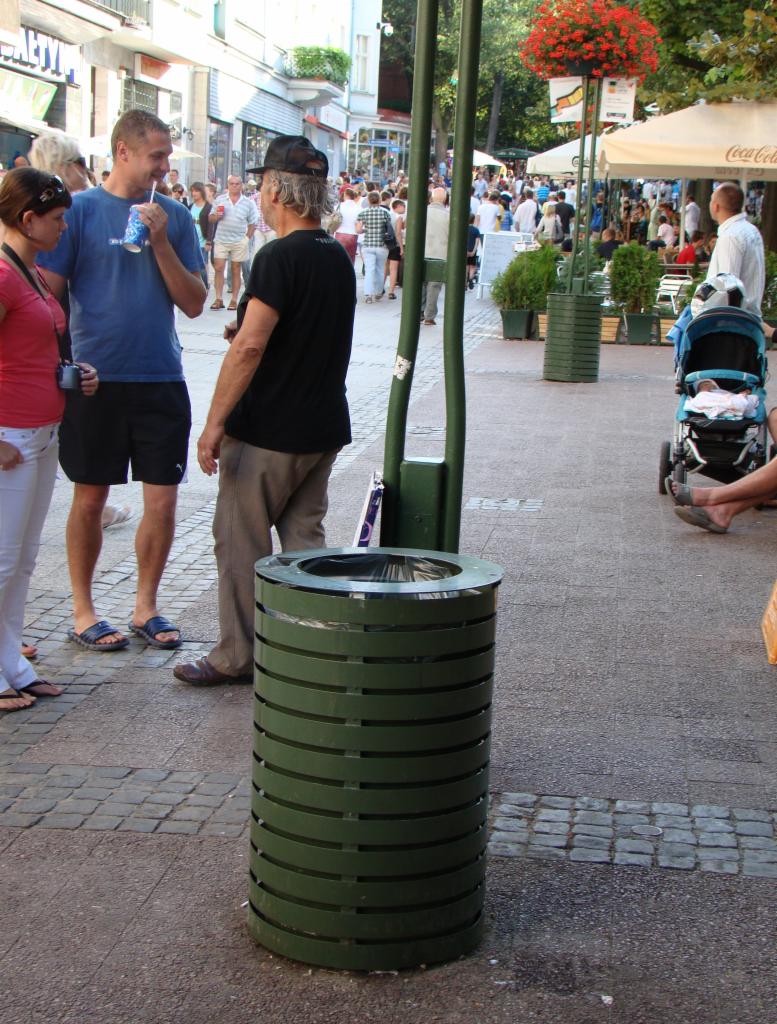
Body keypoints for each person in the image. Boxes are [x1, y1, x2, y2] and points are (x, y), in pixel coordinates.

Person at [173, 136, 355, 686]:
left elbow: (250, 347)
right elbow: (295, 331)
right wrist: (250, 329)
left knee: (240, 540)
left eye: (262, 184)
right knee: (303, 543)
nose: (259, 192)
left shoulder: (278, 256)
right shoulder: (334, 255)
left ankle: (237, 655)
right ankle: (312, 650)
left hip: (270, 429)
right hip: (321, 425)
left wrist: (212, 424)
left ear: (276, 188)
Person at [37, 109, 206, 653]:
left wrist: (160, 243)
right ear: (123, 151)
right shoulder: (80, 213)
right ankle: (84, 610)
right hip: (95, 380)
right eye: (156, 155)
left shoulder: (175, 216)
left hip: (159, 375)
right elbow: (50, 299)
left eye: (167, 156)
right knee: (89, 497)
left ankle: (146, 606)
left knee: (163, 501)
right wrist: (62, 369)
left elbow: (196, 302)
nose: (164, 166)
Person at [0, 168, 98, 710]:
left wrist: (73, 371)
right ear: (28, 219)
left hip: (38, 431)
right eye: (57, 219)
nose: (64, 228)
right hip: (10, 436)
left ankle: (11, 660)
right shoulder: (5, 274)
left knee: (21, 559)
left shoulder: (30, 271)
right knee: (3, 559)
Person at [29, 133, 133, 536]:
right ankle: (92, 503)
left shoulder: (66, 211)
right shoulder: (66, 213)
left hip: (62, 340)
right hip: (59, 339)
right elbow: (46, 291)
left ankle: (92, 502)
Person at [707, 182, 765, 315]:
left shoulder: (730, 237)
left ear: (716, 206)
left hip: (731, 323)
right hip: (747, 318)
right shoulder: (751, 231)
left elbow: (728, 289)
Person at [209, 175, 258, 311]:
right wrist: (216, 217)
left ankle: (234, 299)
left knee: (236, 269)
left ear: (241, 185)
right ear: (228, 185)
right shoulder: (220, 200)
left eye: (237, 184)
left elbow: (253, 222)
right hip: (221, 238)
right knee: (219, 267)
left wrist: (247, 238)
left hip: (239, 240)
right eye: (232, 184)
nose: (234, 186)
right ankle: (218, 298)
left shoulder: (248, 202)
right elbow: (211, 218)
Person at [356, 190, 391, 303]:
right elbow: (389, 228)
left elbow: (358, 230)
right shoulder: (385, 212)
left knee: (369, 269)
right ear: (380, 200)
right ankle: (378, 292)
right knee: (380, 269)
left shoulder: (363, 212)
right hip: (382, 245)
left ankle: (368, 295)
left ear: (369, 200)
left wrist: (366, 229)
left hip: (368, 245)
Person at [421, 186, 449, 325]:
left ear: (431, 198)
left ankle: (419, 311)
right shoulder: (449, 215)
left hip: (421, 252)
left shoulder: (421, 212)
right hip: (440, 254)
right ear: (445, 199)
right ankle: (429, 316)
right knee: (434, 286)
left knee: (421, 283)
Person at [334, 186, 361, 264]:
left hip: (339, 233)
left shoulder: (338, 206)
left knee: (338, 257)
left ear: (345, 195)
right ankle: (349, 274)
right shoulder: (358, 208)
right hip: (353, 235)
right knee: (350, 258)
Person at [466, 214, 481, 289]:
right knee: (472, 266)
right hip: (472, 250)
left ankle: (465, 282)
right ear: (473, 220)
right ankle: (470, 279)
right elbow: (477, 241)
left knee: (465, 266)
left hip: (465, 250)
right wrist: (474, 251)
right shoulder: (476, 230)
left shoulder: (464, 229)